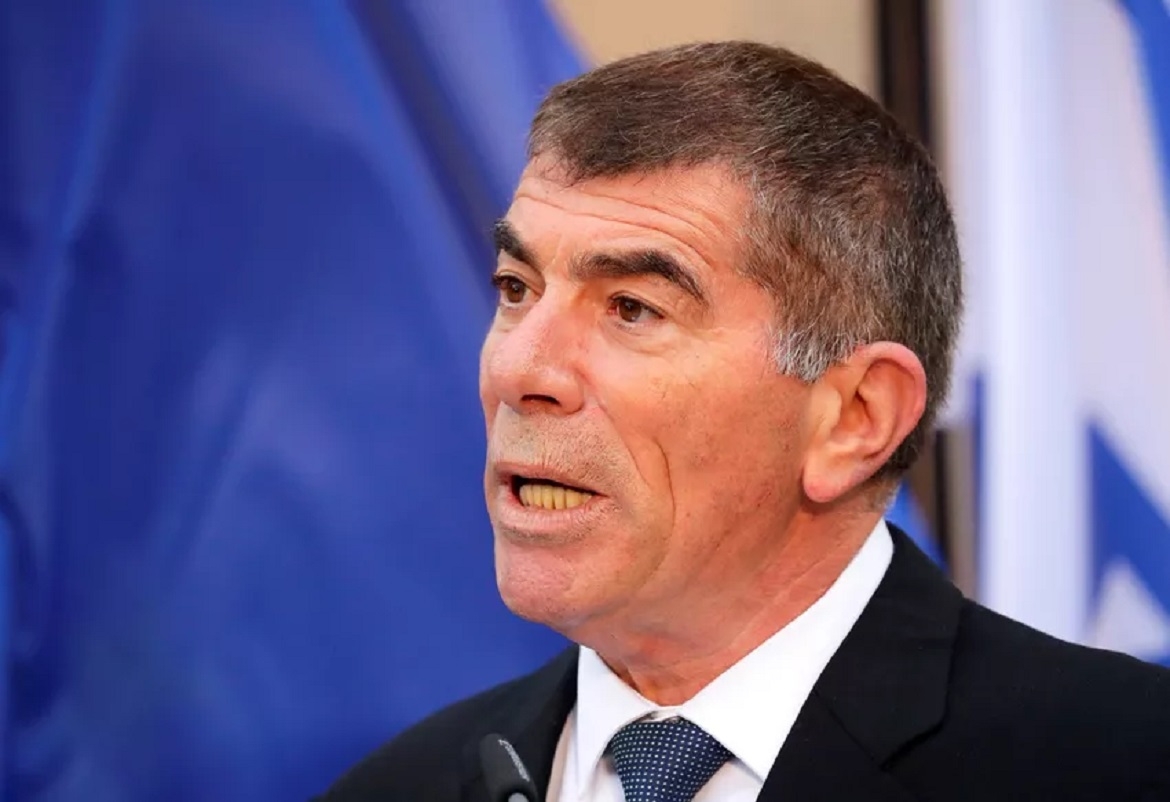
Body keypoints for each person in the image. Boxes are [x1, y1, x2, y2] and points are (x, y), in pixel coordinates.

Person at [319, 41, 1170, 801]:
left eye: (632, 308)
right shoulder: (396, 788)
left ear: (854, 418)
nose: (518, 372)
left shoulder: (1122, 765)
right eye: (516, 289)